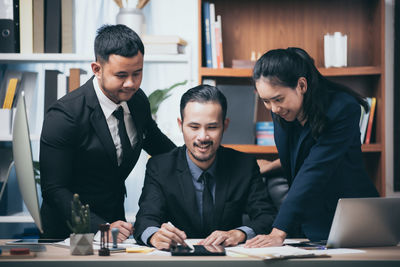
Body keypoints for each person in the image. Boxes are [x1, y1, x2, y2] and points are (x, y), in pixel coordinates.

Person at [40, 24, 176, 241]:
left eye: (137, 73)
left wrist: (201, 158)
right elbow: (54, 189)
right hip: (69, 233)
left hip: (116, 226)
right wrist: (99, 227)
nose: (131, 83)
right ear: (97, 69)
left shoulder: (137, 100)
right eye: (121, 75)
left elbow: (161, 147)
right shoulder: (64, 116)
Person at [245, 47, 379, 248]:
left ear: (301, 85)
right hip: (306, 221)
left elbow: (315, 169)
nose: (273, 108)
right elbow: (300, 156)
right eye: (266, 101)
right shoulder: (282, 111)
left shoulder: (342, 108)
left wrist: (278, 231)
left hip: (352, 220)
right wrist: (272, 166)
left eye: (278, 99)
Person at [133, 85, 277, 250]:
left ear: (225, 125)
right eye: (194, 127)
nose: (203, 137)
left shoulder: (244, 165)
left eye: (212, 127)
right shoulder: (160, 167)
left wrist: (238, 234)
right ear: (181, 125)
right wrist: (154, 236)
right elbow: (145, 220)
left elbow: (267, 217)